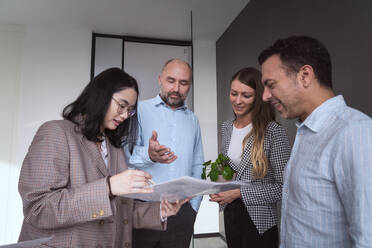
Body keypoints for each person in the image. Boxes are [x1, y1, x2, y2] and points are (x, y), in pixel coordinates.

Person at [18, 68, 187, 247]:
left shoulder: (114, 147)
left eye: (129, 110)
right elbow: (38, 209)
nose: (124, 115)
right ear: (101, 95)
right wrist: (108, 186)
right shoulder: (55, 133)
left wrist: (160, 210)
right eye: (121, 106)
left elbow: (120, 209)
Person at [258, 35, 372, 248]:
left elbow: (368, 237)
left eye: (270, 84)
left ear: (305, 75)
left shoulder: (354, 133)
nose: (264, 96)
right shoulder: (305, 132)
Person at [126, 59, 204, 248]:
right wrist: (149, 154)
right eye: (171, 80)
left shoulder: (193, 120)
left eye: (183, 83)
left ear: (189, 86)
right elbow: (123, 157)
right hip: (143, 210)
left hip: (181, 214)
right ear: (160, 79)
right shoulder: (138, 110)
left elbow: (197, 164)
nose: (176, 88)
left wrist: (193, 208)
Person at [209, 67, 291, 247]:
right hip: (231, 214)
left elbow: (284, 187)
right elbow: (227, 167)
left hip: (260, 222)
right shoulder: (227, 127)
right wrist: (219, 185)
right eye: (233, 93)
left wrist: (238, 193)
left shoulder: (273, 132)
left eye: (246, 95)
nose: (237, 101)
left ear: (259, 98)